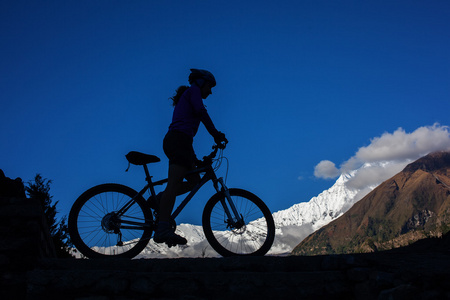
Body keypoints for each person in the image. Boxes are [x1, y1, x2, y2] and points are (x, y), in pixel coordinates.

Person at [153, 68, 227, 247]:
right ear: (201, 82)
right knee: (174, 182)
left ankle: (160, 200)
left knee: (194, 181)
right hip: (179, 140)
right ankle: (162, 227)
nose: (210, 91)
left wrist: (196, 159)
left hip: (182, 142)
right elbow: (202, 114)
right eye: (209, 86)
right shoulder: (193, 91)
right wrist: (216, 134)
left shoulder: (190, 94)